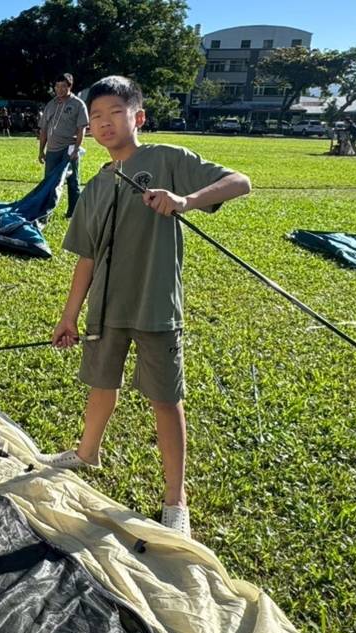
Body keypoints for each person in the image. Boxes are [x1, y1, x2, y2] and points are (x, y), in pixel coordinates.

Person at [45, 76, 252, 537]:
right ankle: (86, 453)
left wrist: (186, 200)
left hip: (156, 305)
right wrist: (69, 314)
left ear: (137, 116)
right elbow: (87, 257)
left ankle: (176, 499)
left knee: (165, 397)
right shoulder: (96, 185)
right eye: (95, 116)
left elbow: (240, 182)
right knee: (101, 384)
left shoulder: (166, 159)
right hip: (105, 307)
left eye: (115, 113)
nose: (104, 123)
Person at [38, 73, 90, 218]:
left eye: (63, 86)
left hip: (69, 148)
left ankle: (73, 213)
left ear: (70, 86)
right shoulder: (51, 104)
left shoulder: (78, 104)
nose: (60, 89)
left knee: (73, 181)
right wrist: (41, 150)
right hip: (52, 150)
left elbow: (81, 129)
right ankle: (45, 213)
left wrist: (77, 149)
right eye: (57, 86)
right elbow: (43, 130)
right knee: (49, 182)